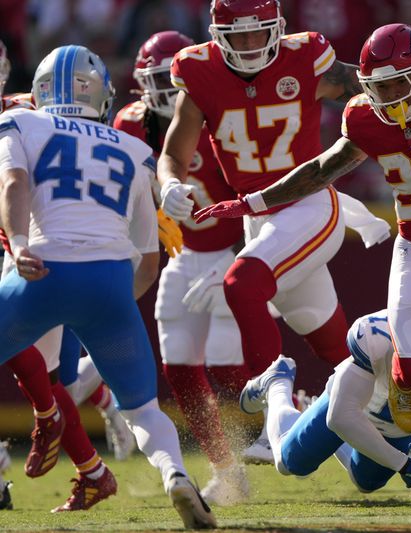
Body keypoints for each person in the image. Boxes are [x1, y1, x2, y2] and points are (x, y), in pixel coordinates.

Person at [193, 23, 411, 471]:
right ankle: (319, 390)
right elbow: (322, 168)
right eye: (381, 87)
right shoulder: (365, 116)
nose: (394, 96)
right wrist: (253, 202)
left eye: (400, 81)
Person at [0, 45, 215, 528]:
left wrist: (17, 244)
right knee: (142, 410)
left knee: (41, 369)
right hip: (111, 280)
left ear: (39, 90)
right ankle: (176, 475)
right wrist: (110, 305)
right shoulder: (135, 150)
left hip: (41, 268)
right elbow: (149, 258)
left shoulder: (21, 123)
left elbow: (13, 183)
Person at [158, 0, 364, 406]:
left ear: (278, 27)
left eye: (259, 31)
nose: (251, 43)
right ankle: (382, 411)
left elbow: (379, 89)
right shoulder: (200, 73)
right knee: (326, 338)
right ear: (217, 36)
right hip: (259, 216)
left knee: (241, 285)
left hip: (309, 203)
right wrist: (168, 186)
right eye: (239, 34)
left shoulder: (306, 58)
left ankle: (276, 406)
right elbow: (173, 156)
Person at [115, 29, 250, 506]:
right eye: (159, 81)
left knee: (235, 373)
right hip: (181, 255)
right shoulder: (128, 126)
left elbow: (254, 193)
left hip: (234, 250)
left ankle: (298, 418)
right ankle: (227, 469)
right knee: (179, 368)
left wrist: (242, 257)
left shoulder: (221, 119)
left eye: (176, 80)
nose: (170, 93)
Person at [0, 38, 125, 511]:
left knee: (47, 375)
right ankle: (92, 470)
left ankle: (54, 418)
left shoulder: (31, 113)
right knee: (45, 377)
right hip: (25, 253)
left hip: (35, 250)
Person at [238, 310, 411, 506]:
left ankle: (308, 409)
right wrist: (402, 463)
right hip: (353, 408)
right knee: (290, 463)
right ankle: (278, 382)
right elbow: (341, 417)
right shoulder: (377, 335)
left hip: (397, 427)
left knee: (366, 482)